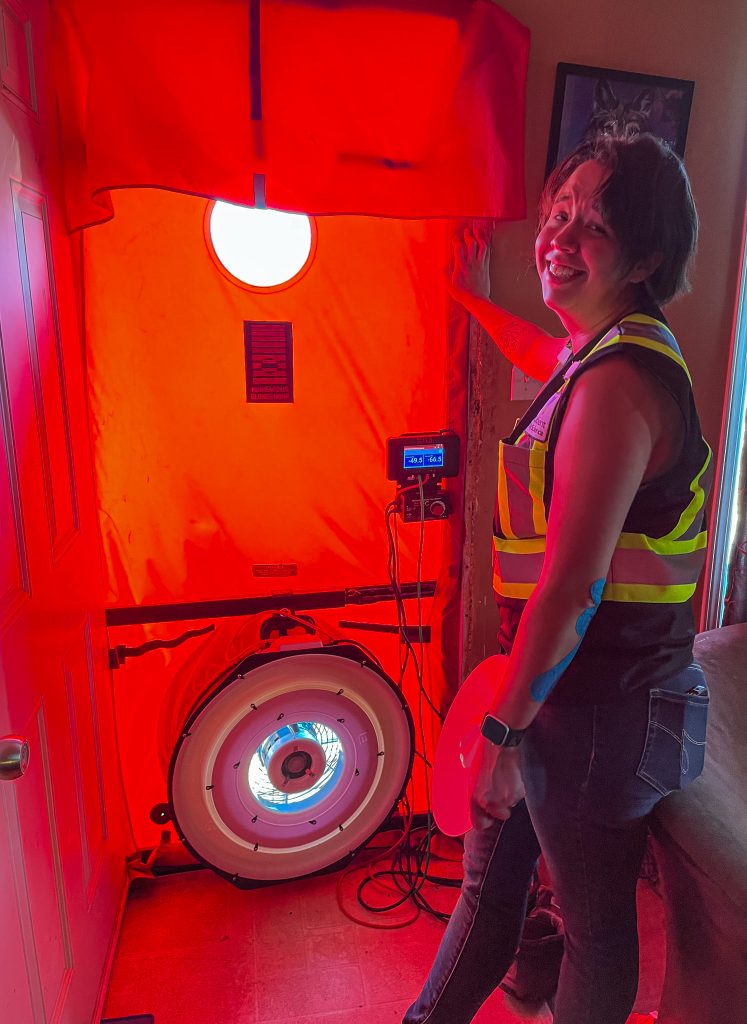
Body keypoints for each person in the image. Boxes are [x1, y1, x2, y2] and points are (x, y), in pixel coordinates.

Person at [404, 133, 712, 1024]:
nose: (560, 237)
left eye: (594, 225)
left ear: (646, 257)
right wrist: (470, 296)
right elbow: (537, 353)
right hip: (571, 695)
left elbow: (573, 587)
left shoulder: (617, 382)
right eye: (557, 214)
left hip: (604, 706)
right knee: (492, 894)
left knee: (592, 928)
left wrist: (502, 738)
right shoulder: (597, 353)